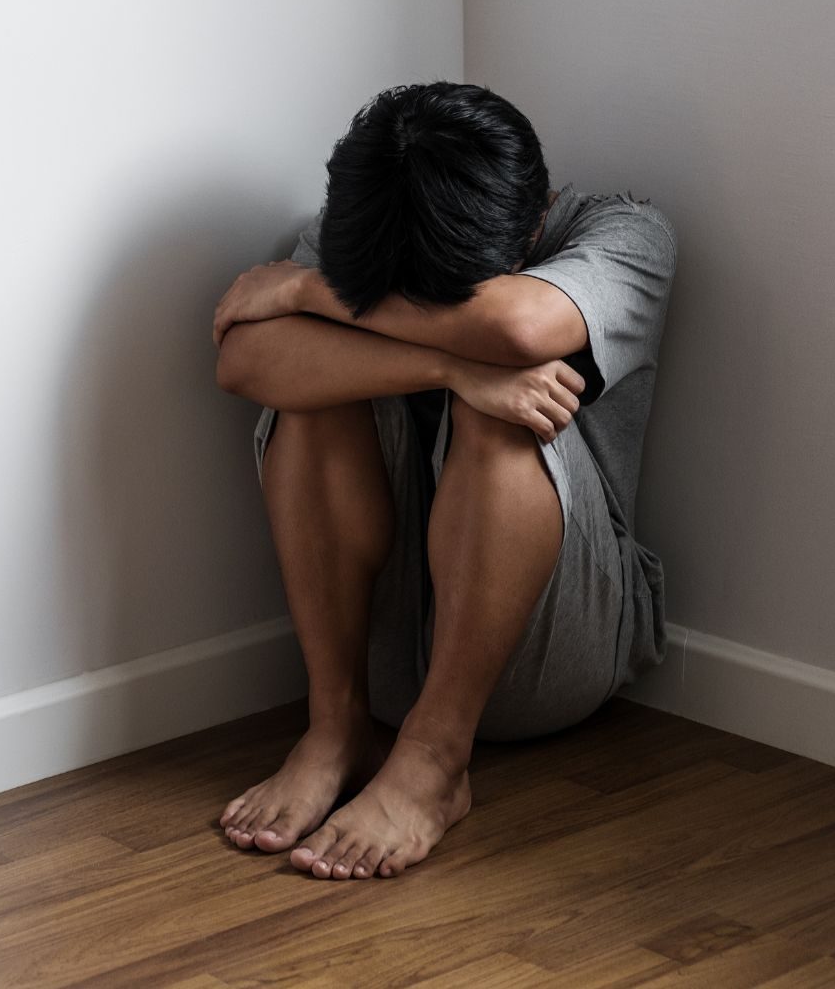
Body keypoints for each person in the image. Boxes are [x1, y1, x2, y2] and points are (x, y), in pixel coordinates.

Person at [209, 80, 678, 880]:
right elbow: (244, 361)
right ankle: (335, 729)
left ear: (534, 223)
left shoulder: (623, 233)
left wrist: (304, 290)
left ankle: (433, 762)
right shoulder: (369, 224)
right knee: (313, 392)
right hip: (386, 652)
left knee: (511, 400)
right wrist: (447, 364)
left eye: (445, 293)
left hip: (554, 650)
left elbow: (518, 326)